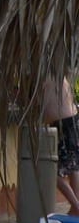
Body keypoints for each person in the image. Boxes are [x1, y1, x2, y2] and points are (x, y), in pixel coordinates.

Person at [42, 76, 79, 215]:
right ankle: (75, 209)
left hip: (64, 123)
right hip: (72, 120)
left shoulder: (44, 78)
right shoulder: (58, 76)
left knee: (51, 170)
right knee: (73, 167)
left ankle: (76, 205)